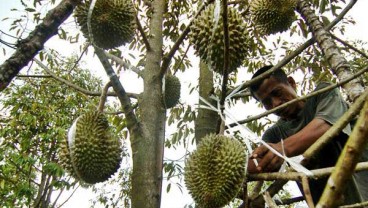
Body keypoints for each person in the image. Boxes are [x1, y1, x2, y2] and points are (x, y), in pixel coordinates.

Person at [247, 65, 368, 205]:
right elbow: (259, 163)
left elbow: (326, 125)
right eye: (267, 102)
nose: (275, 104)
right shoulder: (274, 134)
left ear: (291, 83)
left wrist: (281, 149)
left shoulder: (323, 93)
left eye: (277, 93)